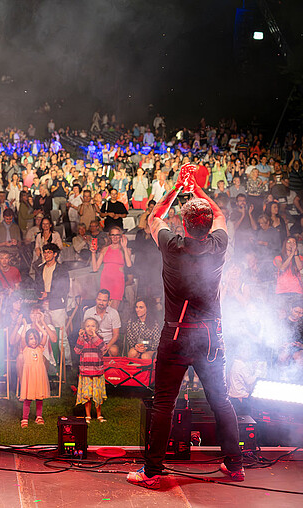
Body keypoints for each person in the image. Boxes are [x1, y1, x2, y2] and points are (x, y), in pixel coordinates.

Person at [127, 165, 243, 489]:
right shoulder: (218, 244)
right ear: (206, 227)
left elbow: (153, 217)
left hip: (177, 334)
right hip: (209, 336)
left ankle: (152, 471)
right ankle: (235, 465)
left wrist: (178, 186)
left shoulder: (172, 246)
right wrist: (198, 190)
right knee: (220, 400)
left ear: (184, 224)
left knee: (164, 402)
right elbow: (218, 214)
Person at [74, 318, 107, 423]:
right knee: (87, 395)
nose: (90, 328)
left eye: (92, 326)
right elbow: (77, 350)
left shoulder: (99, 338)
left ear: (96, 328)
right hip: (86, 372)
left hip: (97, 372)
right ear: (84, 328)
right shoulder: (82, 339)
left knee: (97, 395)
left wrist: (94, 337)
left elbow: (103, 349)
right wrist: (80, 337)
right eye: (88, 326)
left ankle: (99, 415)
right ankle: (88, 415)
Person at [91, 226, 132, 309]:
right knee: (104, 308)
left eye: (117, 235)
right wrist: (93, 253)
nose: (115, 237)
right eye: (112, 235)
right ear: (109, 236)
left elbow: (129, 264)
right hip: (105, 280)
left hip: (117, 281)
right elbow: (95, 268)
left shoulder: (125, 250)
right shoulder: (105, 249)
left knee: (113, 309)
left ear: (120, 236)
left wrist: (124, 247)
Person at [18, 328, 51, 428]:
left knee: (39, 398)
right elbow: (22, 336)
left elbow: (45, 335)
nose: (34, 341)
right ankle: (25, 418)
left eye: (36, 338)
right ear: (27, 340)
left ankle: (39, 416)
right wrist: (24, 325)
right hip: (30, 377)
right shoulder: (25, 349)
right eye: (31, 338)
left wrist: (39, 323)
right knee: (28, 398)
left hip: (39, 377)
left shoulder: (40, 348)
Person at [83, 290, 121, 356]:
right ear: (96, 300)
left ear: (109, 302)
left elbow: (116, 334)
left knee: (114, 350)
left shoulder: (114, 313)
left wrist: (107, 347)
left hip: (108, 342)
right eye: (99, 300)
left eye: (104, 300)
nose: (101, 303)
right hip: (93, 341)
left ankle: (111, 366)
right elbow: (85, 331)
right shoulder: (89, 312)